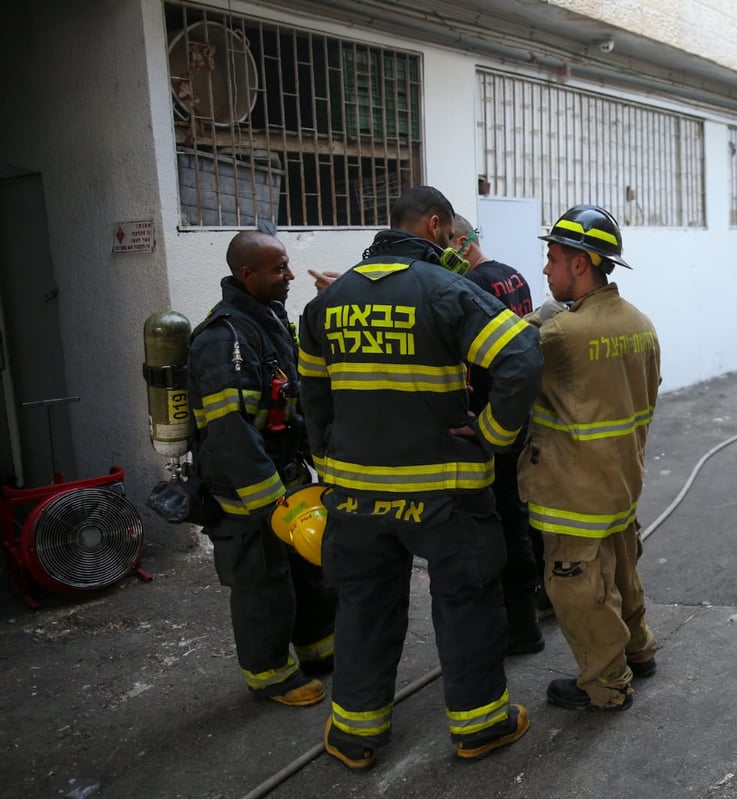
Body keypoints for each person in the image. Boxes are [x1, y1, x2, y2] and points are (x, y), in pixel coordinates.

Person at [299, 186, 543, 769]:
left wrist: (328, 463)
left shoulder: (328, 304)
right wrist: (494, 433)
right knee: (464, 600)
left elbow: (313, 392)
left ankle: (355, 736)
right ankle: (480, 726)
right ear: (434, 226)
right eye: (449, 232)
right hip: (443, 492)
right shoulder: (446, 291)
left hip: (357, 491)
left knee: (362, 604)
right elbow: (522, 356)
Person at [519, 205, 660, 712]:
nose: (545, 268)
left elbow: (502, 358)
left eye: (552, 257)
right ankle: (638, 650)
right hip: (621, 479)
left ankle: (605, 684)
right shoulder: (640, 324)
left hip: (572, 486)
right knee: (622, 570)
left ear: (581, 263)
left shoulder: (560, 334)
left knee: (578, 591)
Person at [187, 231, 337, 707]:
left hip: (285, 477)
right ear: (246, 275)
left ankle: (318, 650)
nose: (290, 275)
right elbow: (229, 430)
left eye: (288, 265)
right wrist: (269, 502)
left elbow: (292, 401)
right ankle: (269, 675)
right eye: (279, 269)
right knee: (262, 583)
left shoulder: (268, 320)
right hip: (247, 491)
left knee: (307, 571)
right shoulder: (221, 340)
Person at [450, 214, 544, 654]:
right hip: (521, 410)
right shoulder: (513, 275)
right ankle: (546, 599)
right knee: (526, 510)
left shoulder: (470, 287)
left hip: (492, 415)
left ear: (457, 241)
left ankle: (521, 627)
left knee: (506, 520)